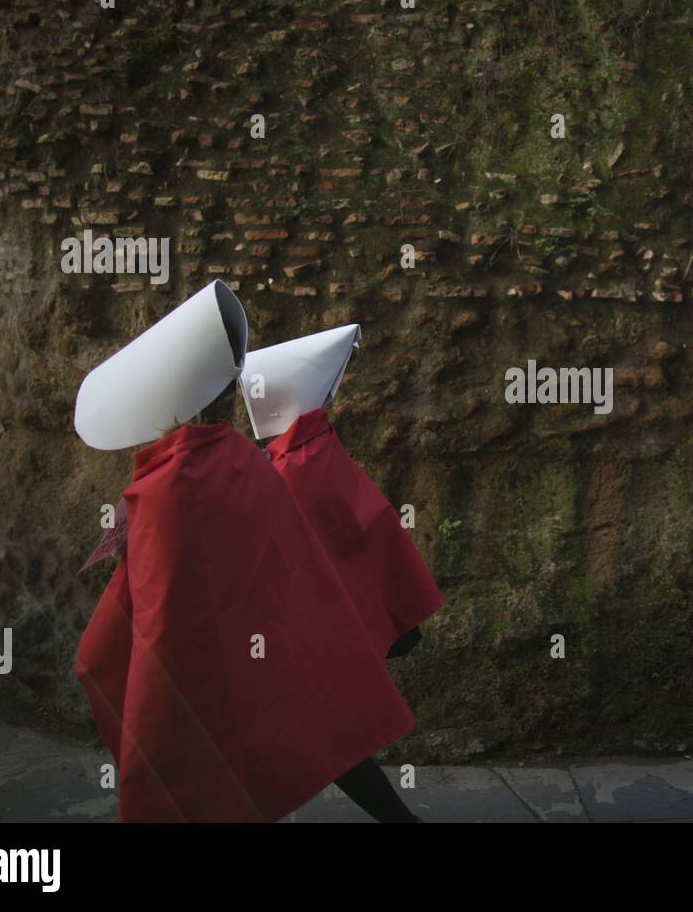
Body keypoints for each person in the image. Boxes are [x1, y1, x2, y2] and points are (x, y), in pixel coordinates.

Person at [73, 281, 415, 822]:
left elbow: (160, 602)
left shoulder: (169, 486)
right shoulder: (238, 457)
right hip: (265, 640)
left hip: (211, 654)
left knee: (198, 747)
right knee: (316, 736)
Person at [239, 324, 444, 816]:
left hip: (320, 629)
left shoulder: (293, 465)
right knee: (324, 735)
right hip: (332, 622)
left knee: (328, 736)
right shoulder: (309, 449)